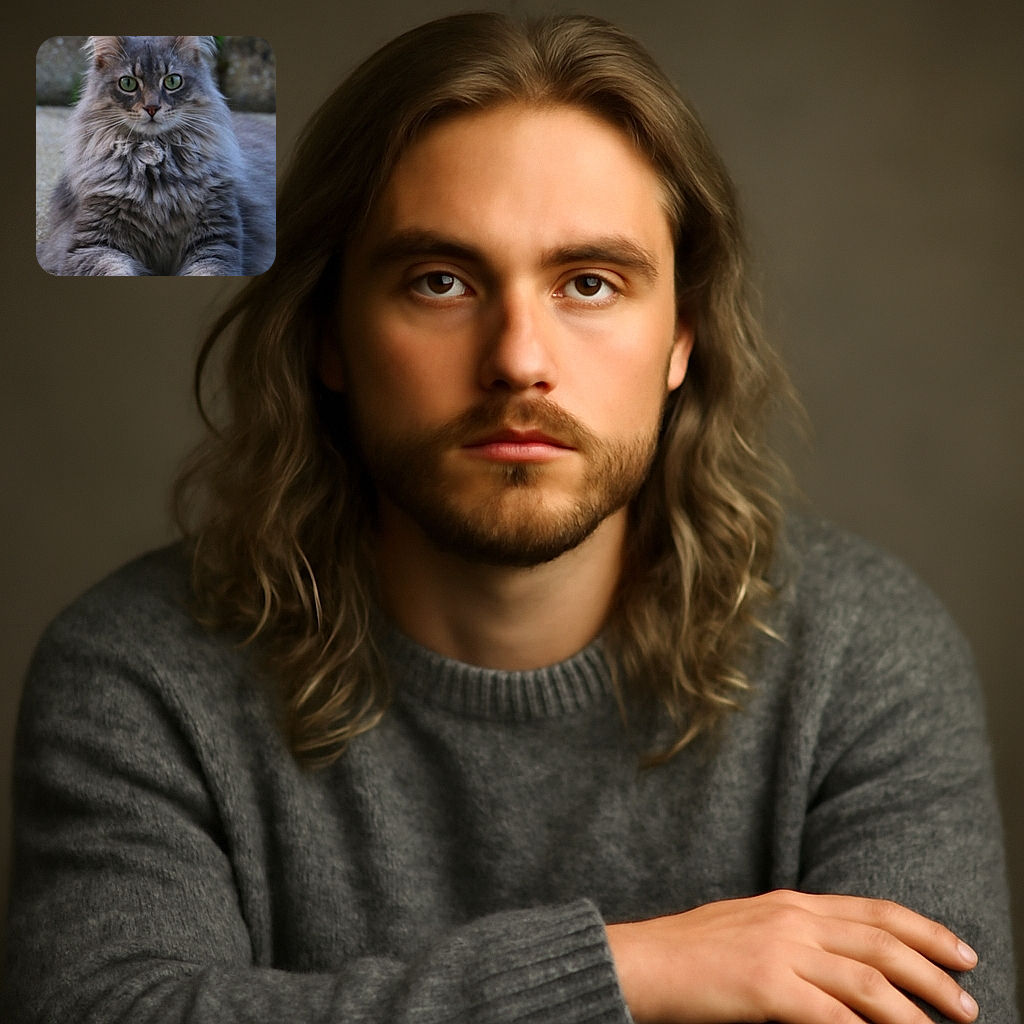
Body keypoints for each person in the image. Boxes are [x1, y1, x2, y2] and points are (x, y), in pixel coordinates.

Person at [3, 12, 1017, 1023]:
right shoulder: (136, 675)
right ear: (330, 338)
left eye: (589, 282)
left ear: (681, 339)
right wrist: (628, 976)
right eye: (440, 281)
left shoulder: (860, 655)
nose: (519, 357)